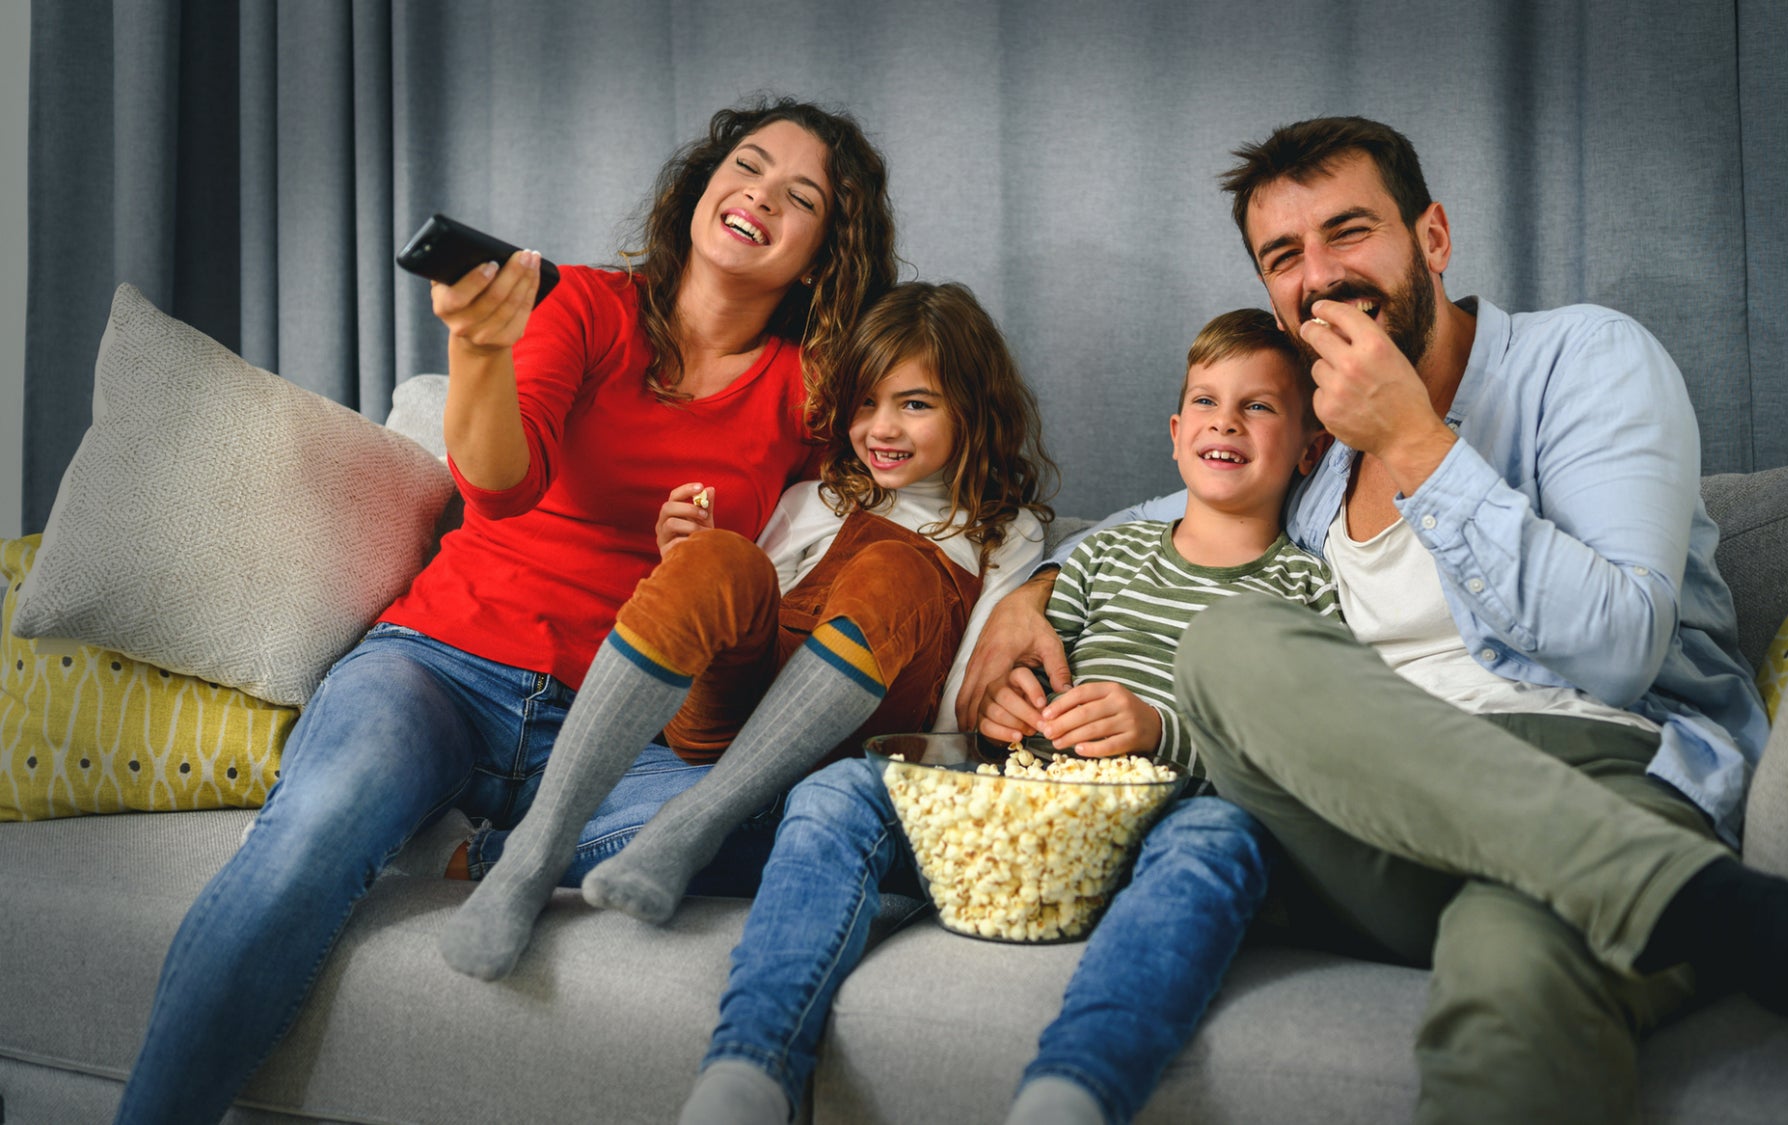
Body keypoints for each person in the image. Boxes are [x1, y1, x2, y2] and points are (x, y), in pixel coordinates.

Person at [958, 116, 1788, 1123]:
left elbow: (1619, 647)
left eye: (1347, 232)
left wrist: (1413, 437)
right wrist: (1032, 587)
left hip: (1600, 774)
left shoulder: (1583, 361)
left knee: (1516, 980)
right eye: (1283, 256)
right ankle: (1737, 919)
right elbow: (1177, 516)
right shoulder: (1313, 465)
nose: (1317, 275)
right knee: (1231, 642)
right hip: (1372, 825)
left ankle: (1670, 898)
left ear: (1430, 239)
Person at [114, 97, 899, 1125]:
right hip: (439, 667)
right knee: (312, 836)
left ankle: (481, 854)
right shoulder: (587, 306)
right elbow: (497, 486)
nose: (758, 195)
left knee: (776, 827)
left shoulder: (810, 390)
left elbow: (916, 507)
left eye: (799, 198)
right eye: (746, 166)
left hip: (612, 726)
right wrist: (479, 350)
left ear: (819, 256)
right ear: (703, 183)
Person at [677, 309, 1339, 1125]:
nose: (1225, 423)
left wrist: (1161, 731)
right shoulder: (1101, 554)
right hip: (1023, 817)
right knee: (843, 789)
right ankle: (749, 1070)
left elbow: (1297, 750)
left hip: (1167, 822)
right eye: (1206, 401)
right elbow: (1001, 678)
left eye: (1260, 406)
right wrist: (1003, 705)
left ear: (1311, 447)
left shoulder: (1310, 587)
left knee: (1225, 842)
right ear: (1175, 433)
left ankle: (1075, 1090)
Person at [438, 280, 1056, 980]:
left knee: (895, 568)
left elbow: (964, 692)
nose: (882, 428)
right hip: (731, 721)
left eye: (914, 404)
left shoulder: (1007, 534)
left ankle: (695, 823)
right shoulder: (817, 496)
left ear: (973, 411)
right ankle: (530, 857)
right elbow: (747, 616)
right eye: (865, 403)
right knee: (718, 554)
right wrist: (691, 561)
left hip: (852, 738)